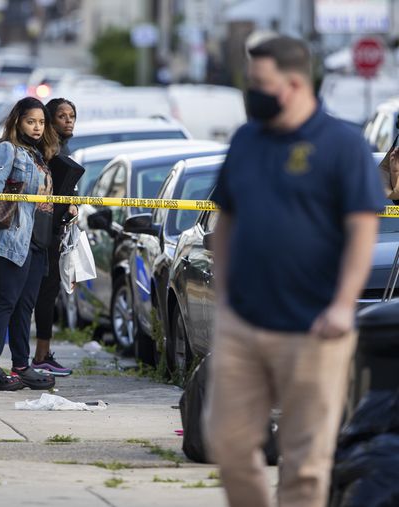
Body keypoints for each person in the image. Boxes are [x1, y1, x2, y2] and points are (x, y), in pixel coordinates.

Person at [204, 36, 385, 507]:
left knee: (305, 462)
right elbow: (227, 220)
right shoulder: (246, 140)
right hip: (244, 324)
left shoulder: (343, 145)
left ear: (295, 83)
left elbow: (363, 229)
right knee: (227, 442)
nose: (252, 92)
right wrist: (224, 299)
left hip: (315, 328)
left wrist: (344, 306)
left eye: (261, 84)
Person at [0, 97, 70, 391]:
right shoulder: (7, 150)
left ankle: (22, 367)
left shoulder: (39, 155)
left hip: (36, 242)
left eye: (41, 122)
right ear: (17, 122)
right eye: (30, 122)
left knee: (25, 306)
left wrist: (66, 206)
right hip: (8, 240)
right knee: (5, 302)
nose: (37, 128)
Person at [31, 98, 78, 376]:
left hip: (56, 231)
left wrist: (72, 202)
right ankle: (36, 357)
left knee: (50, 294)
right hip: (39, 233)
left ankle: (42, 354)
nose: (68, 120)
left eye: (72, 115)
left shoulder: (64, 147)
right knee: (38, 295)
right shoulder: (44, 149)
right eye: (62, 115)